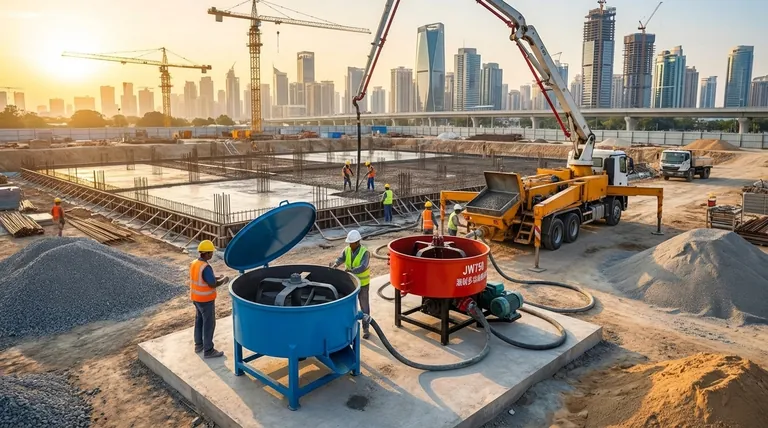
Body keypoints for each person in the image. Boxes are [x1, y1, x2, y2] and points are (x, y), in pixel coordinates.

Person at [190, 240, 229, 359]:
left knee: (199, 321)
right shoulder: (206, 267)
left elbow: (202, 278)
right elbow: (212, 284)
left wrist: (217, 276)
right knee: (209, 324)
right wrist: (223, 280)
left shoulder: (195, 263)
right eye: (211, 253)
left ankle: (199, 345)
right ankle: (209, 350)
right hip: (205, 300)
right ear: (206, 254)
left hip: (196, 298)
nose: (212, 255)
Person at [329, 230, 371, 339]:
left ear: (357, 242)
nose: (349, 245)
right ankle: (349, 327)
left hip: (363, 284)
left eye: (351, 243)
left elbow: (363, 266)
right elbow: (341, 258)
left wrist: (351, 271)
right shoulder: (347, 250)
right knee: (349, 306)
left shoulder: (365, 252)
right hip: (351, 283)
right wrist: (335, 264)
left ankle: (366, 328)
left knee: (364, 306)